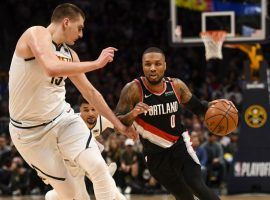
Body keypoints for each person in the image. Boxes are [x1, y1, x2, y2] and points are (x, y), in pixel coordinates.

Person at [9, 3, 137, 200]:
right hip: (30, 133)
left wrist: (119, 125)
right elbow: (50, 67)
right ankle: (55, 196)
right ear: (66, 22)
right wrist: (96, 64)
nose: (81, 34)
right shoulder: (36, 33)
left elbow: (91, 93)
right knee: (71, 195)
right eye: (80, 28)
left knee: (98, 167)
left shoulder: (70, 54)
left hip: (63, 118)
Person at [115, 47, 230, 200]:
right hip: (155, 155)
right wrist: (133, 114)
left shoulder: (176, 86)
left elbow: (198, 108)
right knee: (184, 196)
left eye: (157, 64)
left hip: (180, 146)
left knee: (198, 187)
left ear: (165, 65)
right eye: (148, 64)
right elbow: (118, 120)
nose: (153, 68)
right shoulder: (133, 89)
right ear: (142, 66)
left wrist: (213, 108)